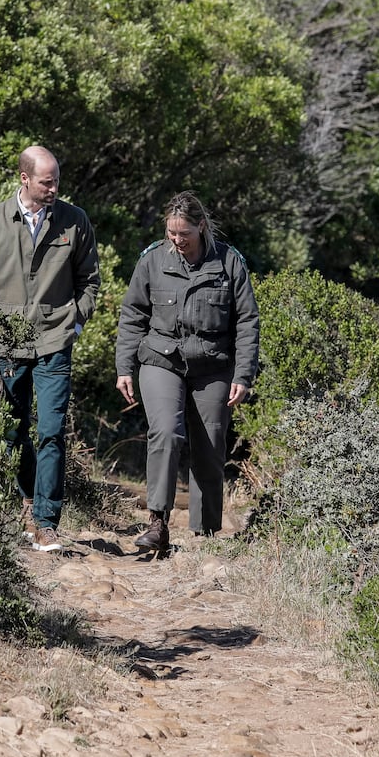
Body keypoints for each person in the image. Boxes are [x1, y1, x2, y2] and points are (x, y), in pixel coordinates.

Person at [0, 146, 101, 551]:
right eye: (47, 181)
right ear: (24, 179)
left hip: (55, 341)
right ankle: (25, 503)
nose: (54, 188)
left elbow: (90, 281)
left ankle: (46, 521)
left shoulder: (74, 221)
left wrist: (76, 322)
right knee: (12, 431)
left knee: (52, 431)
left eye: (57, 180)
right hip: (6, 345)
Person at [115, 192, 260, 554]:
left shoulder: (229, 263)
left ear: (201, 227)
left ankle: (205, 533)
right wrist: (124, 368)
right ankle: (158, 522)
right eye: (171, 233)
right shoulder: (152, 260)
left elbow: (247, 322)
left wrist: (243, 374)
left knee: (210, 445)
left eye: (185, 234)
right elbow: (133, 315)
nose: (177, 241)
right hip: (162, 361)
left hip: (213, 365)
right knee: (165, 432)